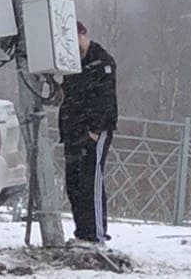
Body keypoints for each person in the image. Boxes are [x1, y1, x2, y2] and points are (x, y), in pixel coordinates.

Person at [58, 21, 117, 244]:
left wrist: (95, 129)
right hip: (73, 129)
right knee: (73, 183)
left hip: (93, 131)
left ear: (82, 35)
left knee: (90, 180)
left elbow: (105, 98)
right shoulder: (71, 63)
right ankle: (82, 231)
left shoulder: (101, 61)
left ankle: (96, 234)